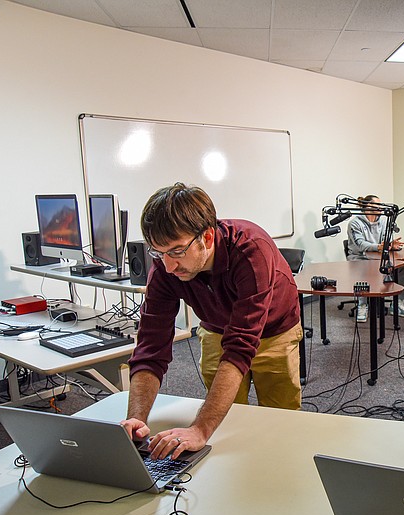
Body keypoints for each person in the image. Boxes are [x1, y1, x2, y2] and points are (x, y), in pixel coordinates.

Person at [121, 183, 302, 459]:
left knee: (280, 420)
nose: (168, 266)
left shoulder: (252, 250)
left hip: (275, 330)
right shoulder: (164, 269)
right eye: (158, 252)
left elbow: (240, 347)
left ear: (206, 237)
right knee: (227, 421)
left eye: (177, 251)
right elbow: (150, 349)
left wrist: (200, 429)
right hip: (217, 328)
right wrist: (137, 420)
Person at [346, 194, 404, 322]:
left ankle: (397, 303)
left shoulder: (383, 221)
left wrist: (391, 245)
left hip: (380, 257)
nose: (380, 207)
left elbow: (385, 240)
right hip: (359, 258)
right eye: (377, 205)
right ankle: (362, 305)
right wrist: (379, 247)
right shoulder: (354, 223)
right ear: (367, 206)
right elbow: (361, 245)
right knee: (367, 267)